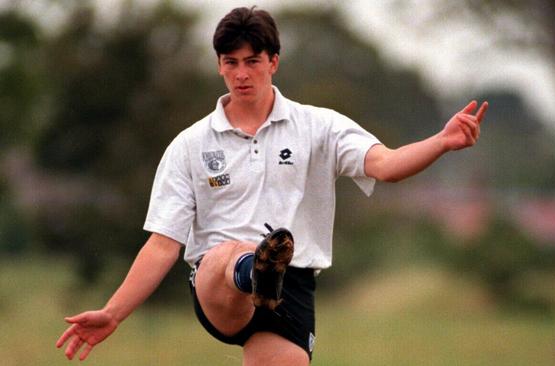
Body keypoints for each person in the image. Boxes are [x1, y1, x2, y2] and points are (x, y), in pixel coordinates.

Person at [56, 6, 488, 365]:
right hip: (218, 284)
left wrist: (441, 142)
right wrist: (113, 313)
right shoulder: (190, 146)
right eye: (231, 63)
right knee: (230, 254)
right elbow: (162, 244)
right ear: (219, 66)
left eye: (252, 62)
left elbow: (388, 165)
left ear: (273, 62)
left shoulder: (319, 126)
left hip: (292, 285)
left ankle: (266, 270)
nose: (241, 74)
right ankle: (254, 269)